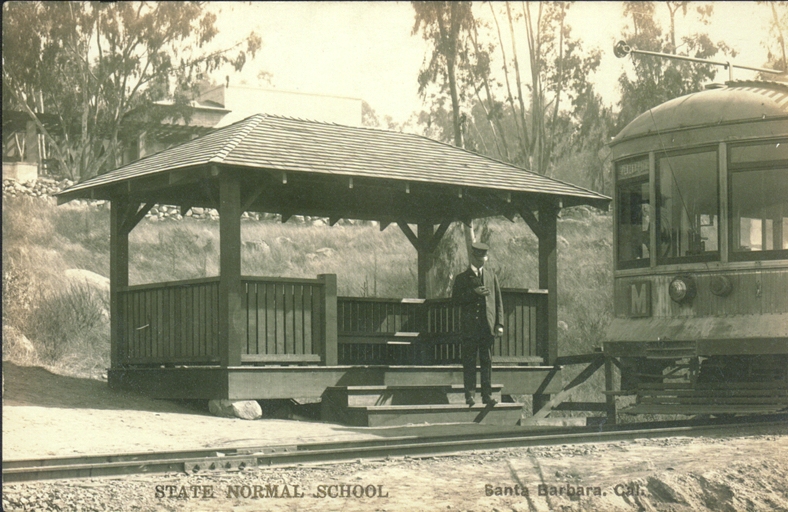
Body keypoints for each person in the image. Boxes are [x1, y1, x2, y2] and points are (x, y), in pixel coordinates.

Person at [451, 242, 504, 407]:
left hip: (486, 327)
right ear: (473, 257)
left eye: (485, 257)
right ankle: (470, 396)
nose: (483, 260)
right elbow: (455, 301)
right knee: (469, 362)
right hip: (469, 328)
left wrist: (499, 324)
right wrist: (473, 293)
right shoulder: (461, 278)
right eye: (480, 257)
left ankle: (487, 396)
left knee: (487, 362)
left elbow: (498, 302)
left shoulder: (491, 276)